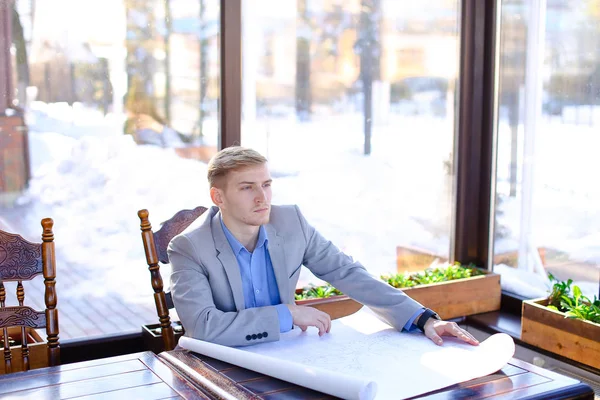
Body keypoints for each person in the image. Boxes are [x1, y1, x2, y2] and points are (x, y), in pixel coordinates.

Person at [168, 146, 480, 348]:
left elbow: (347, 272)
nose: (262, 198)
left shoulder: (291, 222)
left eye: (266, 184)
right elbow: (202, 327)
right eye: (247, 188)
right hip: (223, 366)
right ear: (217, 197)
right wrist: (286, 315)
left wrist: (425, 319)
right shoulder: (188, 247)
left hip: (289, 354)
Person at [123, 83, 184, 148]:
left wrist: (157, 127)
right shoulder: (127, 126)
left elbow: (178, 147)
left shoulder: (159, 125)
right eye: (133, 108)